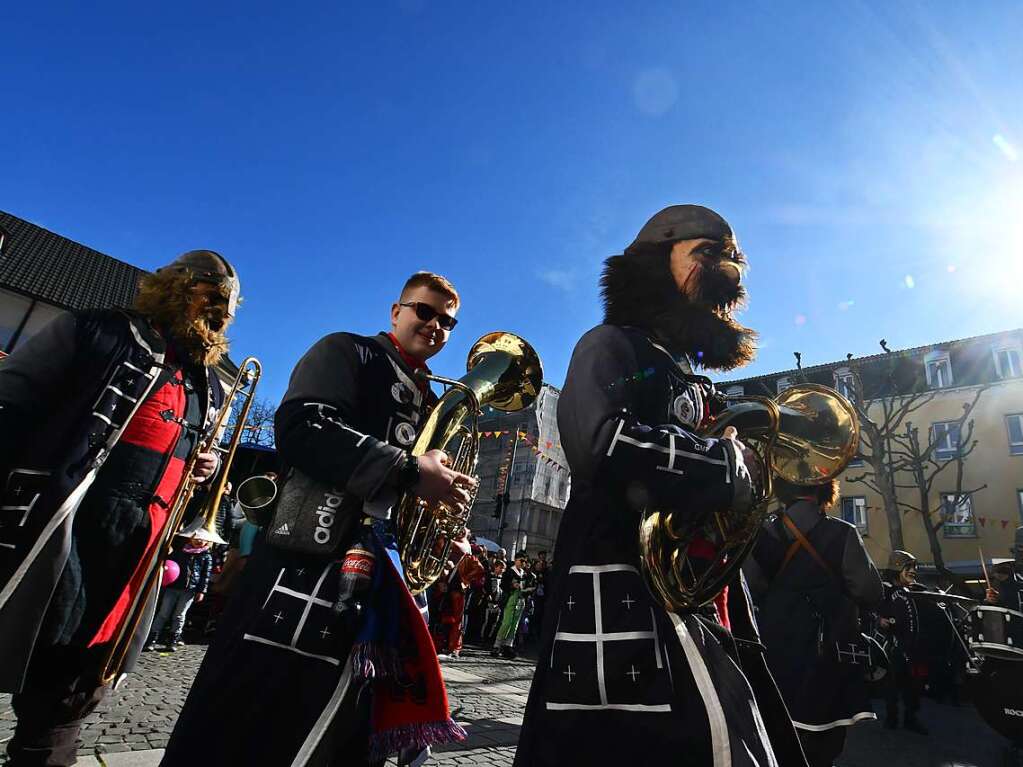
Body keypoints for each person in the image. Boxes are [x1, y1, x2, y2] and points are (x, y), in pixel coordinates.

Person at [515, 205, 806, 767]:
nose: (719, 266)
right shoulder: (609, 344)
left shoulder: (682, 371)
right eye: (703, 253)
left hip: (695, 588)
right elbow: (601, 442)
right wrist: (721, 464)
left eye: (726, 257)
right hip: (619, 583)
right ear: (655, 265)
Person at [162, 272, 475, 767]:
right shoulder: (348, 351)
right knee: (255, 724)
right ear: (396, 310)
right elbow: (301, 429)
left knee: (345, 734)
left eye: (448, 322)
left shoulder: (434, 399)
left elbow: (416, 494)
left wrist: (441, 527)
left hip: (382, 588)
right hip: (307, 565)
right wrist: (410, 469)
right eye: (425, 311)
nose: (436, 326)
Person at [0, 250, 239, 766]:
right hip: (67, 524)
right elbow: (10, 407)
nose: (221, 312)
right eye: (212, 296)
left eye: (229, 306)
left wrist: (200, 471)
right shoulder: (99, 331)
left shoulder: (204, 381)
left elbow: (182, 459)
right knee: (41, 649)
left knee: (78, 680)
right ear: (177, 287)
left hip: (139, 543)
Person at [744, 477, 883, 767]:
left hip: (775, 652)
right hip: (828, 653)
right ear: (825, 492)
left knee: (778, 737)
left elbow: (751, 588)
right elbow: (869, 590)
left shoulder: (761, 533)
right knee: (824, 747)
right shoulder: (841, 532)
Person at [878, 550, 928, 734]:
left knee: (913, 686)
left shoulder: (916, 591)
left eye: (914, 567)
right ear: (897, 568)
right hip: (893, 645)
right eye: (908, 567)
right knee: (892, 684)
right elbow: (869, 609)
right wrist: (879, 620)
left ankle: (910, 719)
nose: (913, 571)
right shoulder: (883, 590)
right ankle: (891, 718)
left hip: (913, 646)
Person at [145, 534, 214, 651]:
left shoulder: (206, 556)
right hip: (173, 587)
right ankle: (152, 639)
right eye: (196, 537)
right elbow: (170, 565)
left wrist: (201, 591)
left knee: (179, 615)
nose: (199, 540)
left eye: (203, 538)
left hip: (189, 590)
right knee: (163, 613)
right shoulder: (180, 551)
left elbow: (205, 576)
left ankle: (172, 640)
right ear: (190, 537)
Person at [493, 551, 533, 659]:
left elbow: (529, 587)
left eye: (525, 561)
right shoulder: (509, 572)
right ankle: (497, 645)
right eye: (521, 561)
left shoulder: (525, 574)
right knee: (506, 623)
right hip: (510, 599)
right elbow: (503, 585)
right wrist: (512, 585)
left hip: (521, 601)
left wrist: (528, 589)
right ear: (516, 560)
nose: (523, 563)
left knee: (515, 625)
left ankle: (508, 645)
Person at [985, 526, 1023, 610]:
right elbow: (1001, 603)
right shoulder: (1005, 573)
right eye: (1021, 549)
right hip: (1016, 621)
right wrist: (993, 599)